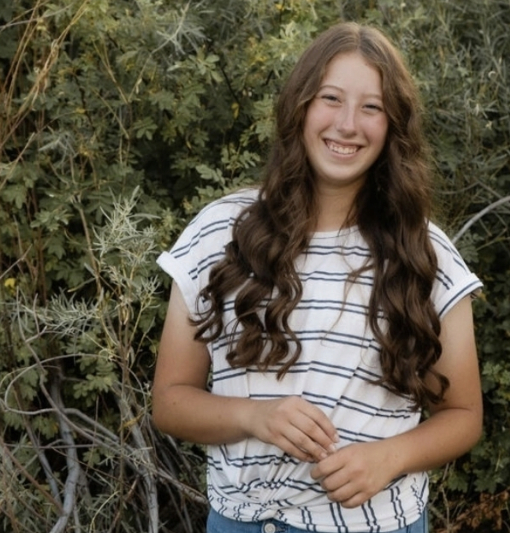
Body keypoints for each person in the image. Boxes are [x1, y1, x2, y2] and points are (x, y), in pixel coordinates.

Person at [152, 21, 484, 533]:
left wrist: (390, 458)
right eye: (331, 98)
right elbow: (170, 401)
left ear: (394, 126)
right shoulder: (219, 233)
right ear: (300, 106)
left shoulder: (426, 254)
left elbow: (463, 415)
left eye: (371, 107)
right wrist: (254, 416)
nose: (348, 124)